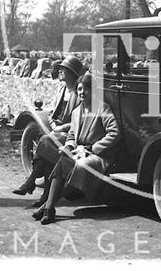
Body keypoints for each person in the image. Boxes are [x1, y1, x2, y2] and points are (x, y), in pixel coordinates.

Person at [32, 72, 121, 225]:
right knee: (63, 160)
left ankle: (47, 207)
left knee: (80, 166)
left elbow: (114, 133)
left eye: (85, 89)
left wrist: (93, 148)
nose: (82, 93)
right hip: (79, 150)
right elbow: (71, 135)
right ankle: (49, 209)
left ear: (93, 91)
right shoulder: (76, 112)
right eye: (79, 90)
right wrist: (69, 146)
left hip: (98, 155)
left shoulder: (102, 108)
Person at [12, 55, 84, 203]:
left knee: (45, 141)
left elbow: (81, 120)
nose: (60, 72)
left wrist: (62, 128)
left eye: (64, 70)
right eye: (61, 69)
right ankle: (42, 194)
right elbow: (51, 113)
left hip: (72, 134)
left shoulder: (80, 93)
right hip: (58, 131)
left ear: (72, 73)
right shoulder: (61, 90)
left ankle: (31, 182)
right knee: (48, 149)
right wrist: (52, 125)